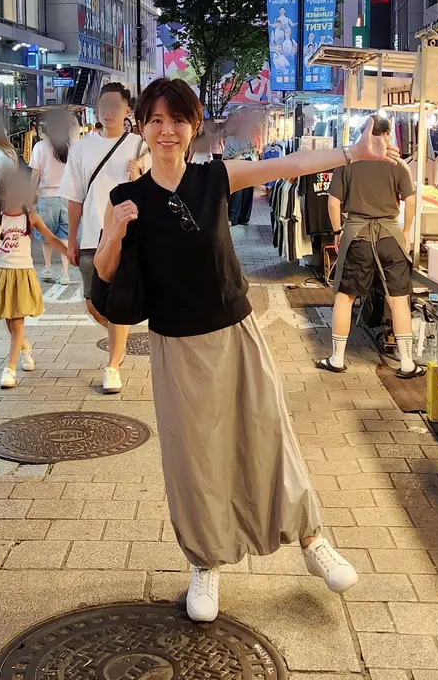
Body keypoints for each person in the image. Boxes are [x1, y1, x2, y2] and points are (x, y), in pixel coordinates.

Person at [95, 79, 396, 622]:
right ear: (142, 126)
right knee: (194, 457)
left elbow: (288, 166)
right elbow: (104, 272)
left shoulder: (214, 178)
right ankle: (205, 562)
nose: (167, 130)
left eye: (177, 120)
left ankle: (312, 540)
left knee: (268, 433)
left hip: (235, 332)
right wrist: (115, 232)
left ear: (194, 127)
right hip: (175, 345)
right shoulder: (126, 198)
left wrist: (352, 153)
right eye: (156, 120)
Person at [317, 115, 420, 379]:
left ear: (364, 133)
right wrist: (406, 231)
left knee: (345, 297)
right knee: (398, 298)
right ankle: (407, 363)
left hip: (357, 236)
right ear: (387, 134)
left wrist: (337, 231)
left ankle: (337, 358)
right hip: (390, 236)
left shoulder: (348, 162)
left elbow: (333, 203)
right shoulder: (397, 164)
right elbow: (411, 200)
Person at [60, 81, 147, 393]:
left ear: (127, 111)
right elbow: (74, 198)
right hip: (90, 235)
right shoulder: (81, 148)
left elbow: (154, 191)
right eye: (103, 106)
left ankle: (113, 365)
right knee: (93, 303)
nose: (108, 112)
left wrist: (138, 175)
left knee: (116, 301)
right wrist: (71, 239)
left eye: (114, 106)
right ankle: (119, 339)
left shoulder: (139, 146)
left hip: (124, 236)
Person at [0, 170, 68, 389]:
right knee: (9, 320)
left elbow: (51, 238)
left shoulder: (30, 218)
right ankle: (24, 347)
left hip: (22, 274)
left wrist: (70, 253)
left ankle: (10, 368)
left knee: (17, 321)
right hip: (2, 274)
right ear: (4, 195)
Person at [29, 109, 73, 282]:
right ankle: (65, 273)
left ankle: (47, 269)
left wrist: (31, 196)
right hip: (68, 196)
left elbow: (35, 174)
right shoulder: (72, 146)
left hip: (46, 196)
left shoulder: (40, 147)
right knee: (65, 236)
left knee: (46, 235)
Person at [224, 110, 258, 226]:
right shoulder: (230, 139)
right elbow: (227, 156)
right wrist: (242, 151)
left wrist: (251, 151)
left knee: (248, 193)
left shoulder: (247, 137)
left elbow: (253, 149)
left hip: (248, 166)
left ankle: (244, 218)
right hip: (236, 166)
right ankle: (233, 218)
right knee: (236, 194)